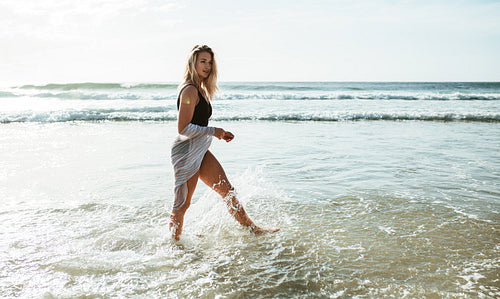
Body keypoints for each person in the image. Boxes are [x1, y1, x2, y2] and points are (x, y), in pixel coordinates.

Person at [169, 45, 279, 241]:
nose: (207, 66)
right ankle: (174, 246)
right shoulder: (189, 91)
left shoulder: (201, 89)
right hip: (186, 151)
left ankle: (253, 229)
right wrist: (215, 132)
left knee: (227, 191)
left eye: (210, 62)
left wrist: (215, 134)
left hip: (200, 149)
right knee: (182, 204)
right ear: (193, 63)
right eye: (203, 61)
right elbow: (183, 128)